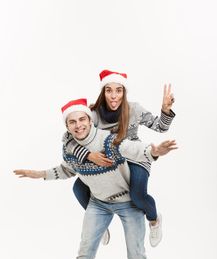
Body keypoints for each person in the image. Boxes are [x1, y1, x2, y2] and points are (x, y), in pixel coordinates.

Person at [14, 98, 177, 259]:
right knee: (84, 256)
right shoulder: (70, 147)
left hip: (127, 203)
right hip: (98, 204)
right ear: (67, 126)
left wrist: (154, 150)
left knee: (137, 257)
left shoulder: (108, 140)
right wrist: (39, 174)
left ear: (90, 120)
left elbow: (133, 149)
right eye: (72, 122)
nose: (78, 125)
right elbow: (67, 169)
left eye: (82, 119)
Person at [63, 70, 176, 247]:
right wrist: (88, 155)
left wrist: (165, 110)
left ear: (124, 92)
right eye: (109, 90)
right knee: (78, 188)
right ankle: (99, 225)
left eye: (119, 90)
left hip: (136, 157)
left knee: (137, 195)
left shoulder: (134, 109)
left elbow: (160, 127)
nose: (114, 96)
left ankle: (154, 219)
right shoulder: (92, 114)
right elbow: (68, 139)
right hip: (109, 162)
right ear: (103, 92)